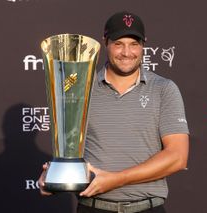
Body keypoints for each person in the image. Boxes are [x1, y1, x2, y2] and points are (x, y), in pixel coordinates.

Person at [39, 11, 189, 213]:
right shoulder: (80, 88)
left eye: (134, 44)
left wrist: (116, 180)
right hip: (94, 207)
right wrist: (55, 173)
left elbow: (177, 157)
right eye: (119, 44)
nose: (127, 52)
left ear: (143, 45)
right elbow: (70, 147)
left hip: (147, 208)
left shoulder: (163, 89)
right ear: (105, 43)